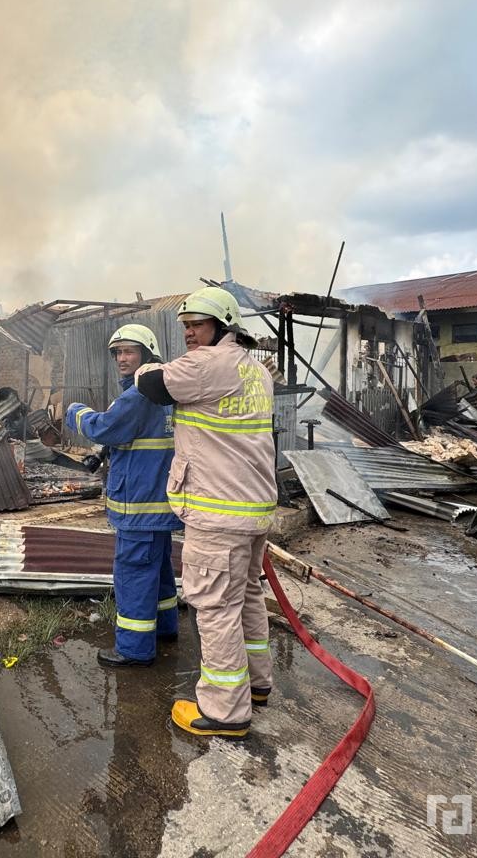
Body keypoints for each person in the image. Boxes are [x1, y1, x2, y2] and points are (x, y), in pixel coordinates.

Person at [134, 286, 276, 738]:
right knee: (247, 595)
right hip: (252, 507)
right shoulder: (256, 370)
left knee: (213, 606)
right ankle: (257, 684)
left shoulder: (204, 365)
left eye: (197, 323)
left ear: (223, 324)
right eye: (186, 324)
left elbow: (151, 383)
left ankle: (224, 711)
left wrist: (148, 365)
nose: (189, 331)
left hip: (217, 512)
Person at [66, 324, 182, 668]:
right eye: (117, 352)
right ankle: (165, 628)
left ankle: (133, 648)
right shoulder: (164, 388)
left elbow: (103, 428)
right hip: (159, 503)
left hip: (139, 505)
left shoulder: (139, 393)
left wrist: (76, 411)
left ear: (148, 354)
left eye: (129, 351)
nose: (121, 358)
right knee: (159, 569)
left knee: (133, 573)